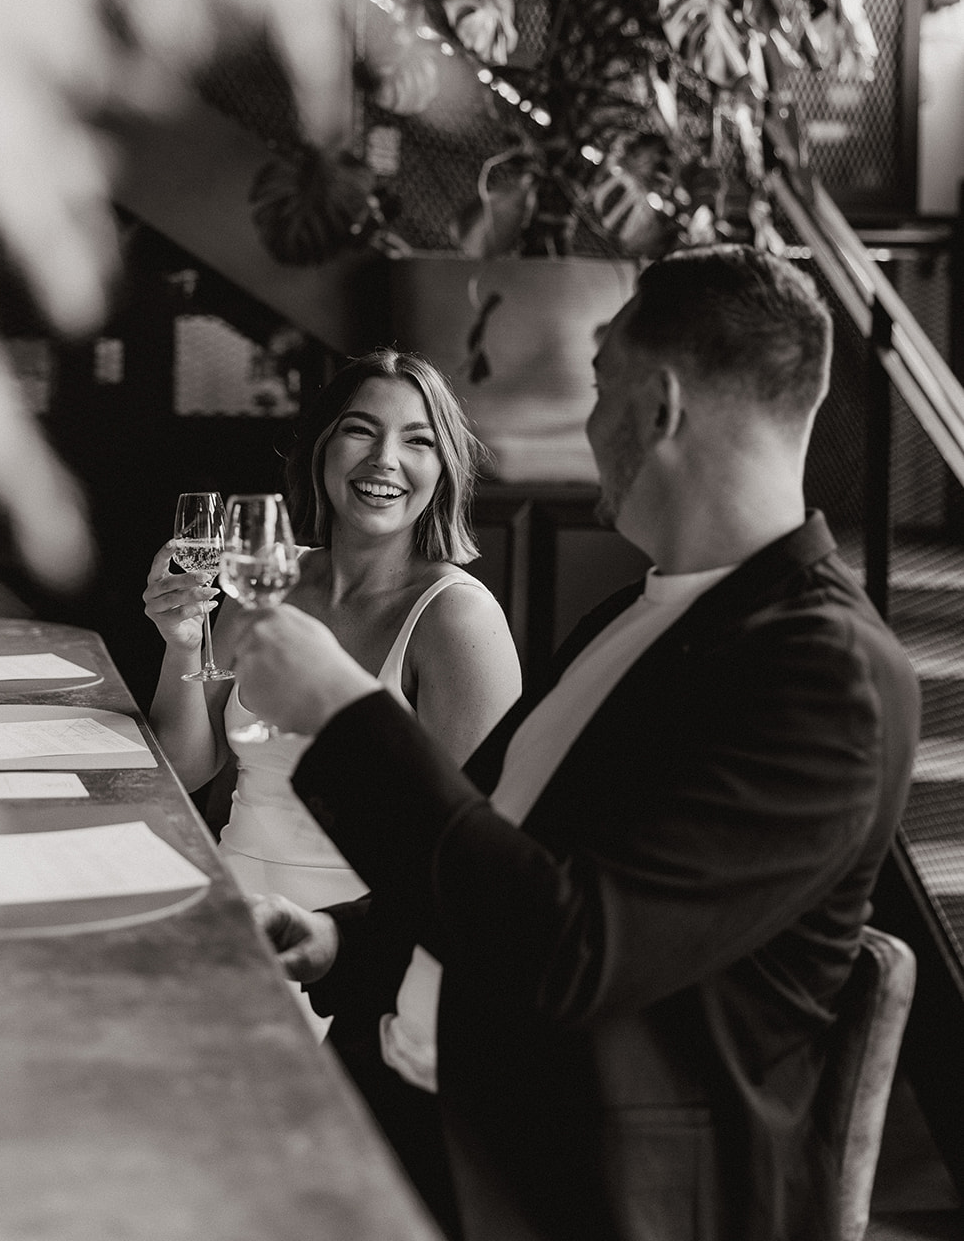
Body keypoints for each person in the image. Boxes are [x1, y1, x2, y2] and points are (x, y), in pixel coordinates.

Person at [238, 245, 920, 1241]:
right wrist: (348, 940)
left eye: (596, 387)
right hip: (409, 1108)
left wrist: (344, 712)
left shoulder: (825, 677)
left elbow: (568, 951)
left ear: (657, 408)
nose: (586, 422)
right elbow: (497, 842)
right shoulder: (631, 614)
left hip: (561, 1186)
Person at [143, 348, 522, 920]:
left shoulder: (457, 618)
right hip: (233, 916)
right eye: (360, 431)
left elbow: (476, 854)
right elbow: (185, 767)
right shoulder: (265, 577)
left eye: (417, 441)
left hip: (356, 947)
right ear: (322, 451)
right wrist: (183, 644)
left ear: (444, 467)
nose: (384, 460)